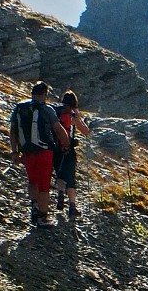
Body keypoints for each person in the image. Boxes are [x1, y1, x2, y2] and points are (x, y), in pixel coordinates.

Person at [9, 81, 57, 227]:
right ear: (44, 94)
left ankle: (34, 206)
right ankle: (43, 218)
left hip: (27, 151)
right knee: (44, 185)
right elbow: (58, 129)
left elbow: (13, 131)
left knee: (32, 181)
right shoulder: (47, 109)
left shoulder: (19, 108)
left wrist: (15, 151)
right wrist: (66, 144)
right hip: (44, 152)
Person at [51, 89, 92, 219]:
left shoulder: (56, 113)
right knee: (71, 177)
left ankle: (60, 195)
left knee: (60, 173)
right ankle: (72, 206)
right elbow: (87, 132)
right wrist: (80, 119)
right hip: (69, 150)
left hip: (56, 149)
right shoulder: (73, 116)